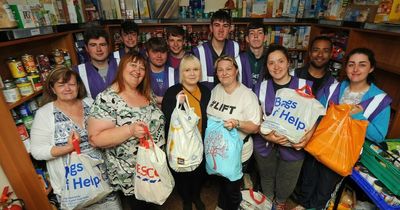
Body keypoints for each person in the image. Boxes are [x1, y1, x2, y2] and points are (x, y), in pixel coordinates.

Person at [296, 48, 392, 210]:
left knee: (323, 192)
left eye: (362, 65)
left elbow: (379, 136)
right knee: (307, 184)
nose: (355, 69)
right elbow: (315, 114)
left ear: (371, 68)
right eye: (351, 64)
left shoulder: (379, 100)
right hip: (318, 148)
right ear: (345, 67)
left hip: (342, 154)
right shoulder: (333, 88)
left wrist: (357, 115)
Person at [30, 67, 122, 209]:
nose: (67, 88)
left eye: (71, 84)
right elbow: (37, 151)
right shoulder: (45, 113)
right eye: (61, 85)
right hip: (74, 187)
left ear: (78, 86)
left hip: (104, 181)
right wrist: (68, 148)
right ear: (52, 89)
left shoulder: (90, 103)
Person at [87, 53, 165, 210]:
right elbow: (95, 139)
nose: (138, 71)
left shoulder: (145, 93)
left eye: (142, 68)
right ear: (122, 67)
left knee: (155, 203)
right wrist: (129, 130)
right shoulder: (107, 99)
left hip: (154, 166)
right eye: (133, 65)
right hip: (132, 175)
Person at [252, 44, 314, 210]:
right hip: (264, 143)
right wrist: (266, 135)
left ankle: (279, 203)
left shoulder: (304, 85)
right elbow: (256, 118)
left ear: (289, 63)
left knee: (287, 179)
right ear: (266, 66)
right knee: (266, 176)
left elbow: (315, 117)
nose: (276, 66)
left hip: (293, 146)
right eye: (271, 63)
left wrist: (306, 139)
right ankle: (268, 201)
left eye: (280, 61)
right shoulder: (261, 87)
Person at [207, 55, 261, 210]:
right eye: (220, 70)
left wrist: (237, 123)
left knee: (232, 187)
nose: (224, 73)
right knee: (223, 182)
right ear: (216, 73)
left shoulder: (247, 95)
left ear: (236, 71)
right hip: (219, 150)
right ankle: (222, 205)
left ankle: (231, 206)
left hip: (238, 152)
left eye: (228, 69)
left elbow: (255, 127)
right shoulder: (216, 90)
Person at [291, 36, 337, 207]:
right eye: (316, 49)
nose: (320, 54)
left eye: (325, 51)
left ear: (331, 54)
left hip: (317, 136)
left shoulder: (334, 84)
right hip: (293, 130)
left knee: (310, 171)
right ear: (310, 53)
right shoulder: (295, 75)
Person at [161, 55, 211, 210]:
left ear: (200, 72)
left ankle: (196, 195)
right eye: (187, 70)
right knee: (182, 174)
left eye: (195, 69)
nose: (192, 73)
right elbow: (168, 122)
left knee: (199, 171)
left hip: (201, 140)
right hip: (181, 144)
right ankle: (186, 199)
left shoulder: (205, 91)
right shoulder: (172, 93)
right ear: (181, 73)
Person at [192, 9, 240, 89]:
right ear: (211, 28)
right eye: (217, 25)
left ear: (230, 29)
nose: (221, 30)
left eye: (225, 26)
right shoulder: (198, 51)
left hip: (230, 97)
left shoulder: (235, 47)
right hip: (206, 99)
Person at [73, 27, 118, 99]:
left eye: (102, 44)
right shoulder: (78, 72)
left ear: (108, 47)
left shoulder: (121, 64)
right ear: (86, 48)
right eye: (93, 45)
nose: (99, 49)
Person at [146, 37, 179, 106]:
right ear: (147, 53)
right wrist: (169, 99)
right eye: (155, 52)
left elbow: (181, 98)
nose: (159, 56)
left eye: (163, 52)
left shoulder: (175, 74)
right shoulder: (141, 74)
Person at [235, 21, 267, 89]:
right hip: (243, 98)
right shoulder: (238, 60)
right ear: (247, 39)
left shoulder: (270, 59)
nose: (256, 36)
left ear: (265, 38)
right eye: (252, 33)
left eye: (260, 32)